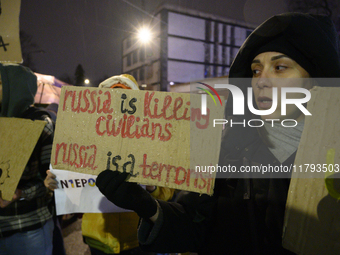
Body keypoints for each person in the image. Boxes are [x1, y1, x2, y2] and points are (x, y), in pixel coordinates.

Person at [95, 13, 340, 255]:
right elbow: (195, 228)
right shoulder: (226, 153)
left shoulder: (333, 158)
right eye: (255, 71)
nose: (262, 80)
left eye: (280, 67)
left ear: (315, 80)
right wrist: (149, 208)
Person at [45, 74, 175, 255]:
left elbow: (168, 194)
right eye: (110, 100)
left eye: (126, 100)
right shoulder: (84, 142)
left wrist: (152, 186)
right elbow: (73, 188)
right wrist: (56, 183)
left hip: (138, 238)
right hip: (98, 239)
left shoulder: (152, 142)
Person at [0, 63, 55, 255]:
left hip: (27, 229)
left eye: (0, 82)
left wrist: (19, 193)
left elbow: (51, 181)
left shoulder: (40, 123)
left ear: (14, 87)